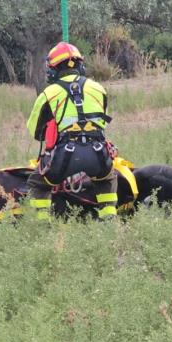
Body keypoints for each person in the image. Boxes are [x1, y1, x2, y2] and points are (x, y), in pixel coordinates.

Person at [25, 42, 118, 220]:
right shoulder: (98, 88)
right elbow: (102, 124)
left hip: (64, 157)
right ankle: (109, 222)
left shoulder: (49, 93)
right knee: (106, 180)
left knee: (37, 184)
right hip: (98, 153)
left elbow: (35, 132)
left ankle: (43, 225)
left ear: (53, 69)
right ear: (80, 66)